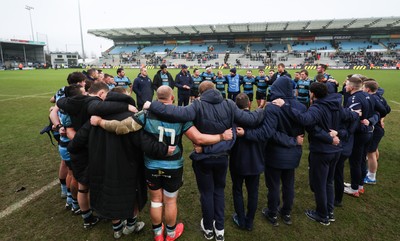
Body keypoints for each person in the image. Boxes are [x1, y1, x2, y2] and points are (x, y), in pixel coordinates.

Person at [92, 85, 234, 241]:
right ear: (172, 98)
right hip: (173, 166)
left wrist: (99, 122)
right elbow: (199, 138)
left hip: (152, 165)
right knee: (170, 200)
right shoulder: (181, 117)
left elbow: (120, 128)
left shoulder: (145, 114)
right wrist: (221, 137)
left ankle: (158, 234)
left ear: (156, 98)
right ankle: (171, 234)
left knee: (156, 201)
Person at [143, 81, 265, 241]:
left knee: (207, 193)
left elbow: (177, 113)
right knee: (218, 192)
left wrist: (152, 105)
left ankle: (208, 228)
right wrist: (266, 109)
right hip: (221, 157)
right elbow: (250, 119)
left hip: (203, 157)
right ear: (214, 90)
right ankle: (219, 230)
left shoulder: (198, 104)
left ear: (200, 93)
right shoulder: (228, 104)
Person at [68, 94, 172, 239]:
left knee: (110, 195)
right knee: (131, 195)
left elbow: (75, 144)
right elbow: (145, 143)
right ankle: (130, 225)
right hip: (128, 166)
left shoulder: (94, 119)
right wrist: (164, 150)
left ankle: (118, 228)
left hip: (102, 167)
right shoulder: (130, 117)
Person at [273, 82, 358, 226]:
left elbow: (304, 120)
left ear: (313, 93)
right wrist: (342, 134)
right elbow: (354, 117)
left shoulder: (317, 108)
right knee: (329, 182)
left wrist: (285, 106)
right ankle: (329, 212)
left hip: (322, 151)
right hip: (336, 151)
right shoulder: (337, 105)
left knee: (319, 184)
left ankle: (322, 214)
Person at [239, 76, 306, 227]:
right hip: (293, 152)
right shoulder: (301, 107)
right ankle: (286, 212)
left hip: (276, 152)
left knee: (274, 184)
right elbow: (301, 130)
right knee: (289, 183)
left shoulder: (272, 107)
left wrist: (246, 133)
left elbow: (267, 133)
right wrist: (293, 141)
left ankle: (272, 213)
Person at [229, 93, 266, 230]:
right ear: (249, 104)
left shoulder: (232, 121)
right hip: (255, 160)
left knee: (238, 190)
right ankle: (248, 221)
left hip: (238, 161)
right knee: (252, 191)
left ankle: (242, 219)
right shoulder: (259, 118)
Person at [343, 76, 376, 197]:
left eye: (346, 84)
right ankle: (360, 185)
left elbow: (352, 118)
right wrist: (371, 121)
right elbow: (376, 112)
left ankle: (354, 188)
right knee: (362, 160)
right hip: (368, 133)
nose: (345, 86)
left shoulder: (354, 98)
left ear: (351, 87)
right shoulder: (368, 96)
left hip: (359, 134)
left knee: (355, 162)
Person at [363, 80, 391, 184]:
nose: (362, 89)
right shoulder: (380, 97)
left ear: (368, 89)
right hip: (378, 127)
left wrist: (377, 119)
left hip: (375, 128)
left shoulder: (372, 98)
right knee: (373, 150)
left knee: (371, 153)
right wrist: (381, 118)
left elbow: (384, 110)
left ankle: (371, 177)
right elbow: (388, 109)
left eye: (363, 87)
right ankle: (370, 170)